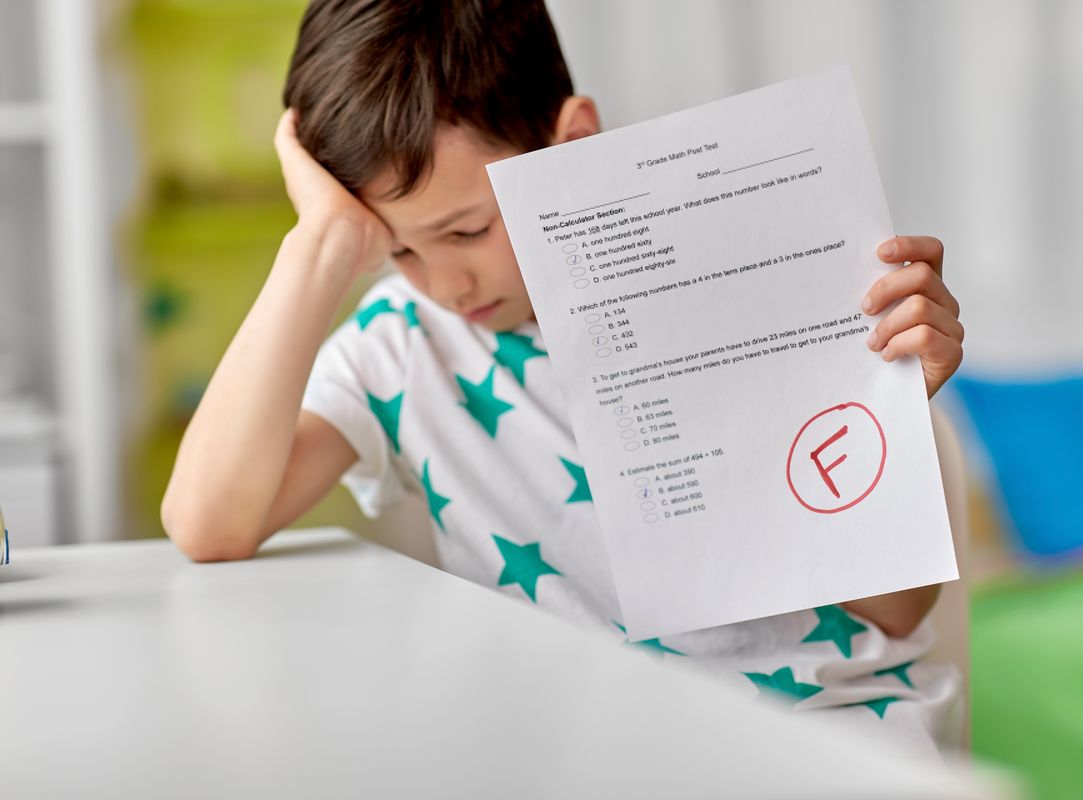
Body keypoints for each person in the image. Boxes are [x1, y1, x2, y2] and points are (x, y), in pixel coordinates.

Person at [162, 0, 967, 755]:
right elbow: (208, 524)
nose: (447, 285)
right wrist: (320, 246)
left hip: (826, 738)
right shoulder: (401, 344)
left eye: (467, 230)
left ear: (571, 141)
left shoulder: (741, 281)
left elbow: (893, 614)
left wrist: (886, 409)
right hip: (577, 755)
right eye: (396, 248)